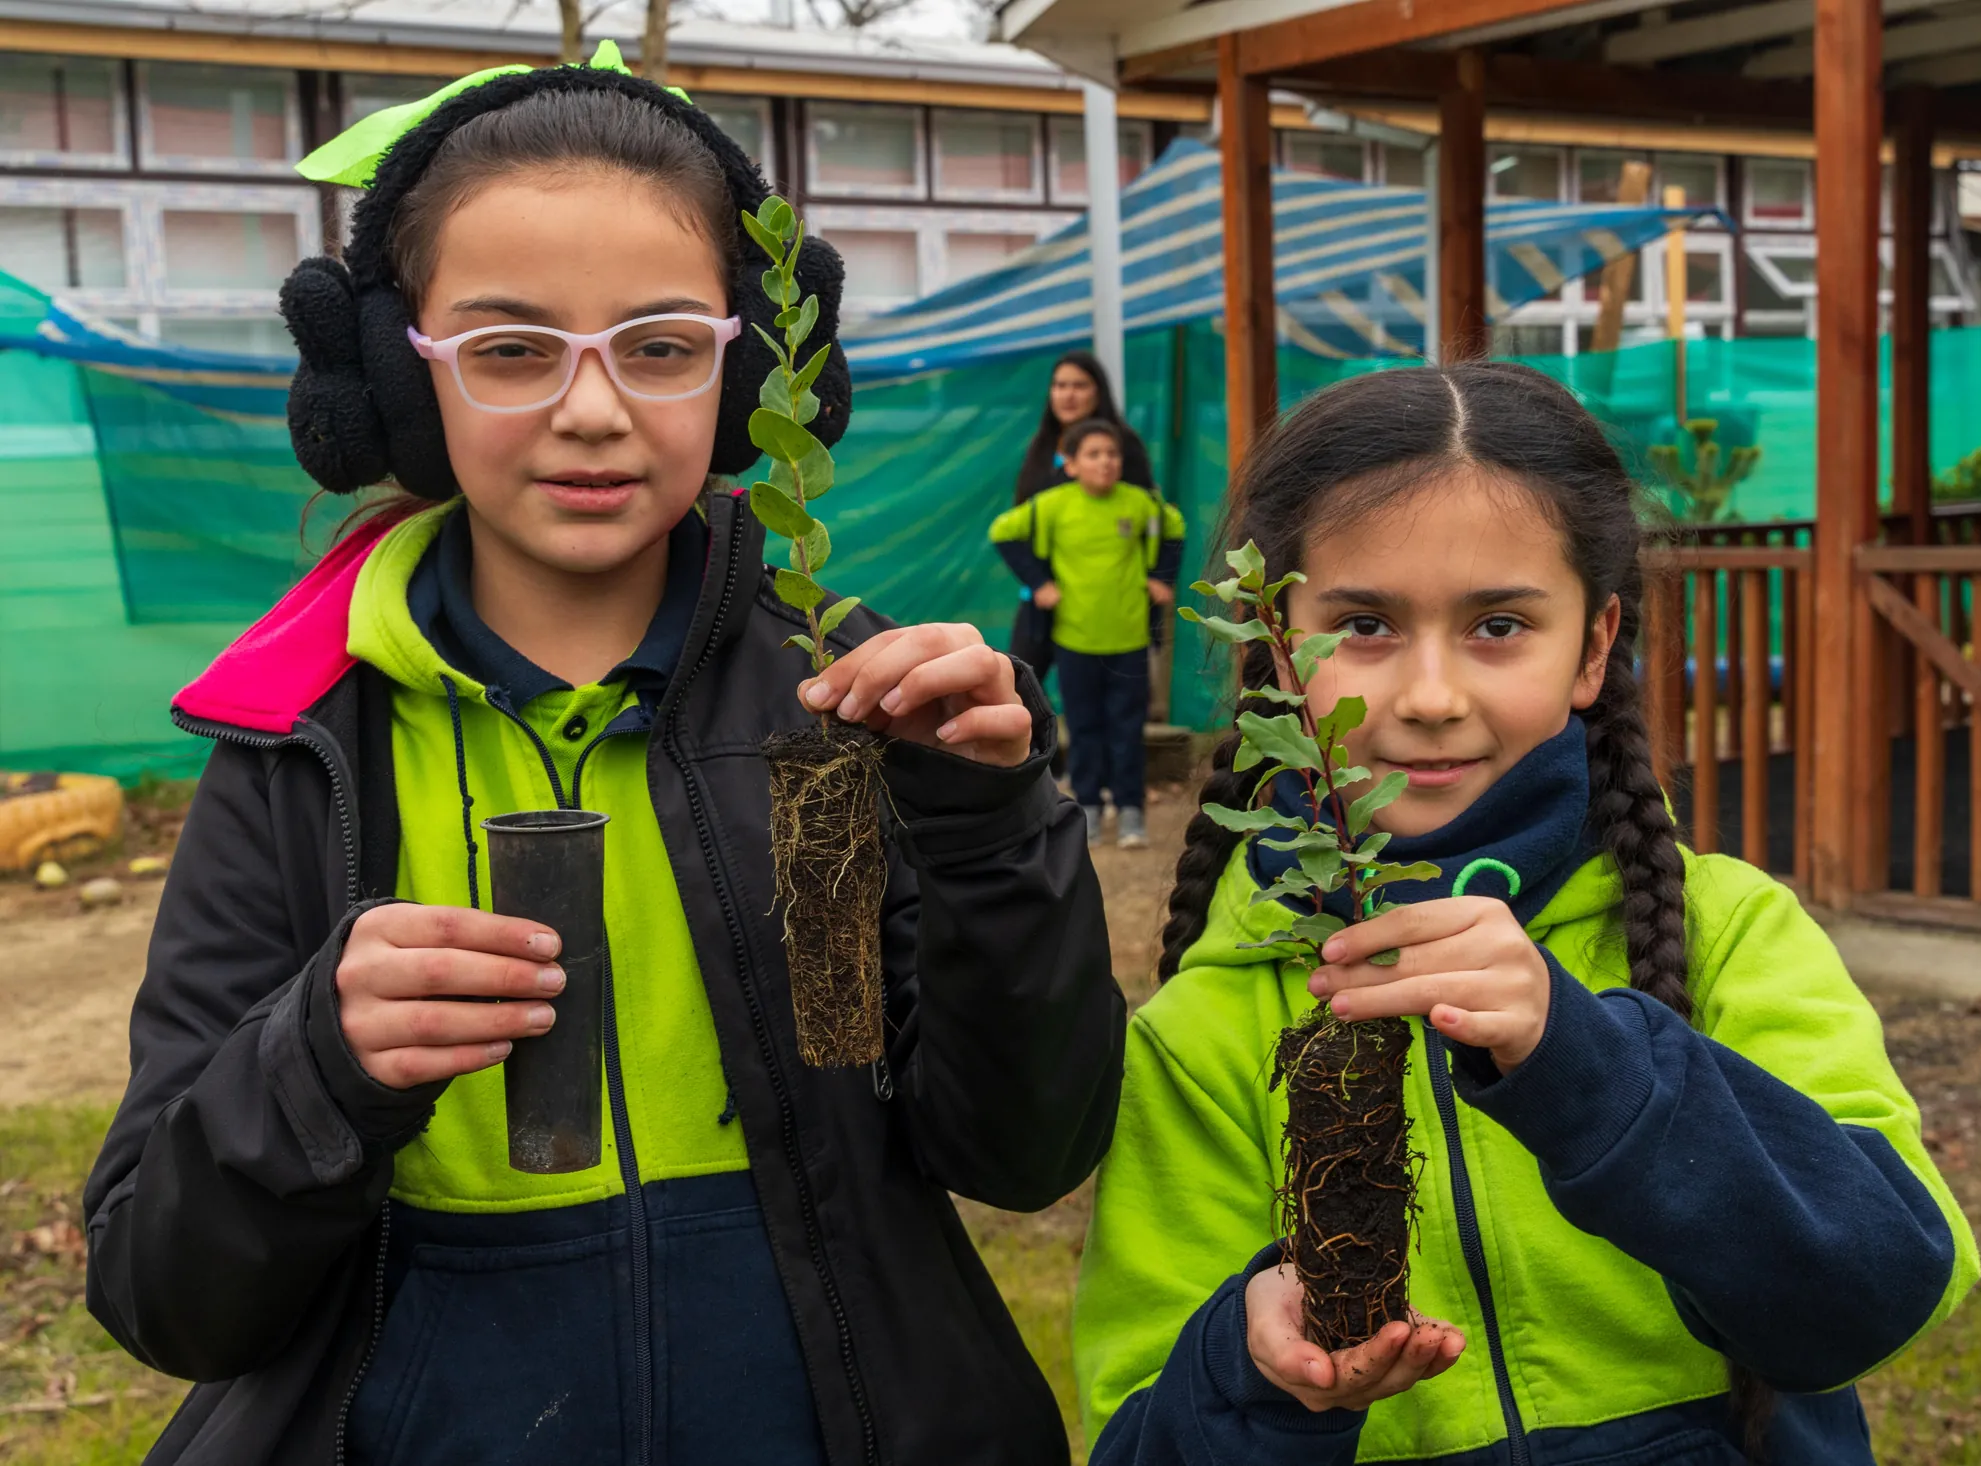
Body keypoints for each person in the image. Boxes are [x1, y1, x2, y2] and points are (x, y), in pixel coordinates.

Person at [81, 54, 1124, 1466]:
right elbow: (166, 1294)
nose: (593, 409)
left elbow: (1014, 1153)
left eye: (660, 344)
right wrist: (318, 1060)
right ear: (398, 374)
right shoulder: (306, 750)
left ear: (748, 369)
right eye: (511, 349)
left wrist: (985, 825)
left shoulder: (828, 712)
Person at [1072, 361, 1978, 1464]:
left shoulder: (1730, 931)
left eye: (1498, 624)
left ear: (1593, 645)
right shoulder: (1208, 1026)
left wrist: (1587, 1058)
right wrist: (1251, 1372)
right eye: (1362, 623)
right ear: (1275, 653)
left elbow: (1877, 1290)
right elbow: (1137, 1436)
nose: (1431, 694)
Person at [990, 417, 1183, 849]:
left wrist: (1162, 578)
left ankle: (1132, 811)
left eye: (1112, 454)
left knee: (1127, 728)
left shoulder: (1139, 504)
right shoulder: (1052, 505)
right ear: (1072, 463)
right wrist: (1039, 583)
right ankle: (1090, 809)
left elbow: (1174, 529)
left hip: (1130, 640)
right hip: (1074, 641)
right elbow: (1001, 532)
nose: (1106, 462)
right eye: (1094, 454)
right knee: (1083, 726)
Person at [1012, 349, 1157, 505]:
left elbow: (1143, 506)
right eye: (1060, 386)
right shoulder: (1041, 445)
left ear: (1098, 392)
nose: (1068, 395)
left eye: (1080, 386)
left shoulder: (1123, 442)